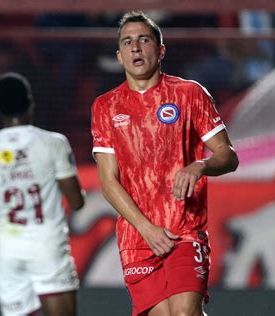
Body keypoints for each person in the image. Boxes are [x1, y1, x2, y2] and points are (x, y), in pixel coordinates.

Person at [91, 11, 239, 316]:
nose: (135, 48)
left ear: (160, 50)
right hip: (138, 238)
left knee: (185, 313)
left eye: (144, 40)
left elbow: (228, 156)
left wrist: (199, 166)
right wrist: (146, 229)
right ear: (119, 57)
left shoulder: (189, 94)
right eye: (128, 42)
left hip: (184, 229)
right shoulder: (105, 106)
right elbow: (108, 182)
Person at [0, 72, 84, 316]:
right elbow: (75, 201)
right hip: (47, 244)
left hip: (9, 250)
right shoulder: (53, 143)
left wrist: (1, 209)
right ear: (30, 102)